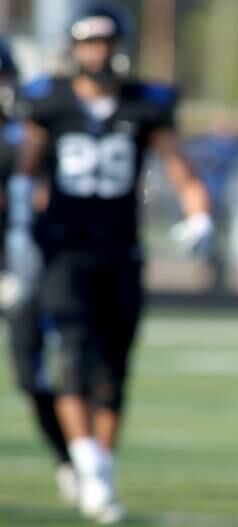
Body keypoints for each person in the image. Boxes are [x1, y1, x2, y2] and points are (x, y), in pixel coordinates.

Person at [6, 5, 215, 523]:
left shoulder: (146, 104)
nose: (97, 52)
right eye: (88, 42)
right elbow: (26, 174)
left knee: (114, 370)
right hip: (63, 249)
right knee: (73, 353)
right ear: (74, 48)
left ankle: (101, 465)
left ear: (119, 47)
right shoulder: (48, 102)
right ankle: (88, 468)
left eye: (105, 42)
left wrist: (199, 215)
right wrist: (19, 235)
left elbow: (178, 166)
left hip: (120, 251)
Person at [0, 36, 80, 505]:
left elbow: (44, 193)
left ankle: (69, 460)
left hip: (19, 266)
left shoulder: (28, 134)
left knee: (33, 376)